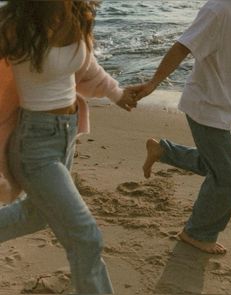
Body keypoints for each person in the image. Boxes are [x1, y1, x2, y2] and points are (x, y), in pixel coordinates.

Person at [0, 0, 136, 294]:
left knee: (34, 215)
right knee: (86, 237)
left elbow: (87, 66)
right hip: (33, 146)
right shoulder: (14, 22)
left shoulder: (77, 12)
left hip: (66, 134)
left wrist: (117, 92)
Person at [128, 0, 231, 255]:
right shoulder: (218, 10)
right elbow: (181, 48)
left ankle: (163, 151)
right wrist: (153, 83)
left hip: (225, 106)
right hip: (205, 106)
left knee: (215, 164)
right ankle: (197, 233)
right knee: (227, 178)